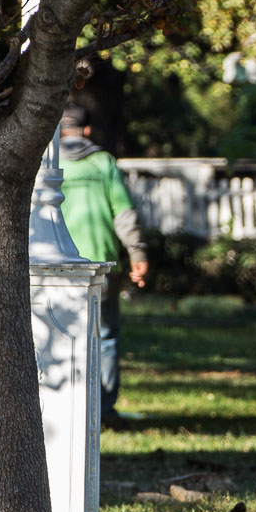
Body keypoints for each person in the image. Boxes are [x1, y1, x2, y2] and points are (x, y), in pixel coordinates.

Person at [58, 103, 149, 429]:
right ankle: (103, 410)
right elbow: (124, 216)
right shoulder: (102, 162)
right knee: (105, 337)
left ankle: (66, 407)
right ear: (86, 130)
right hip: (101, 265)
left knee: (61, 334)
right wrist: (137, 255)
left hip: (56, 267)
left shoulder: (45, 163)